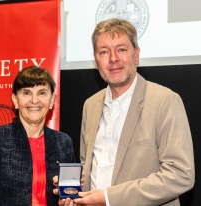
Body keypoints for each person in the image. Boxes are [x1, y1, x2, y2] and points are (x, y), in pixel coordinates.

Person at [72, 18, 195, 205]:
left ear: (136, 55)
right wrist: (73, 189)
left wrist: (108, 198)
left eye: (121, 49)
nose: (113, 59)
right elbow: (89, 167)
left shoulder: (165, 101)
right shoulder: (90, 105)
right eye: (104, 52)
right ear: (96, 61)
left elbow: (180, 174)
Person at [0, 66, 75, 206]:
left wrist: (69, 200)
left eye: (42, 93)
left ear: (52, 100)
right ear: (15, 100)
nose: (34, 100)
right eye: (26, 93)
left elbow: (70, 196)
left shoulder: (63, 142)